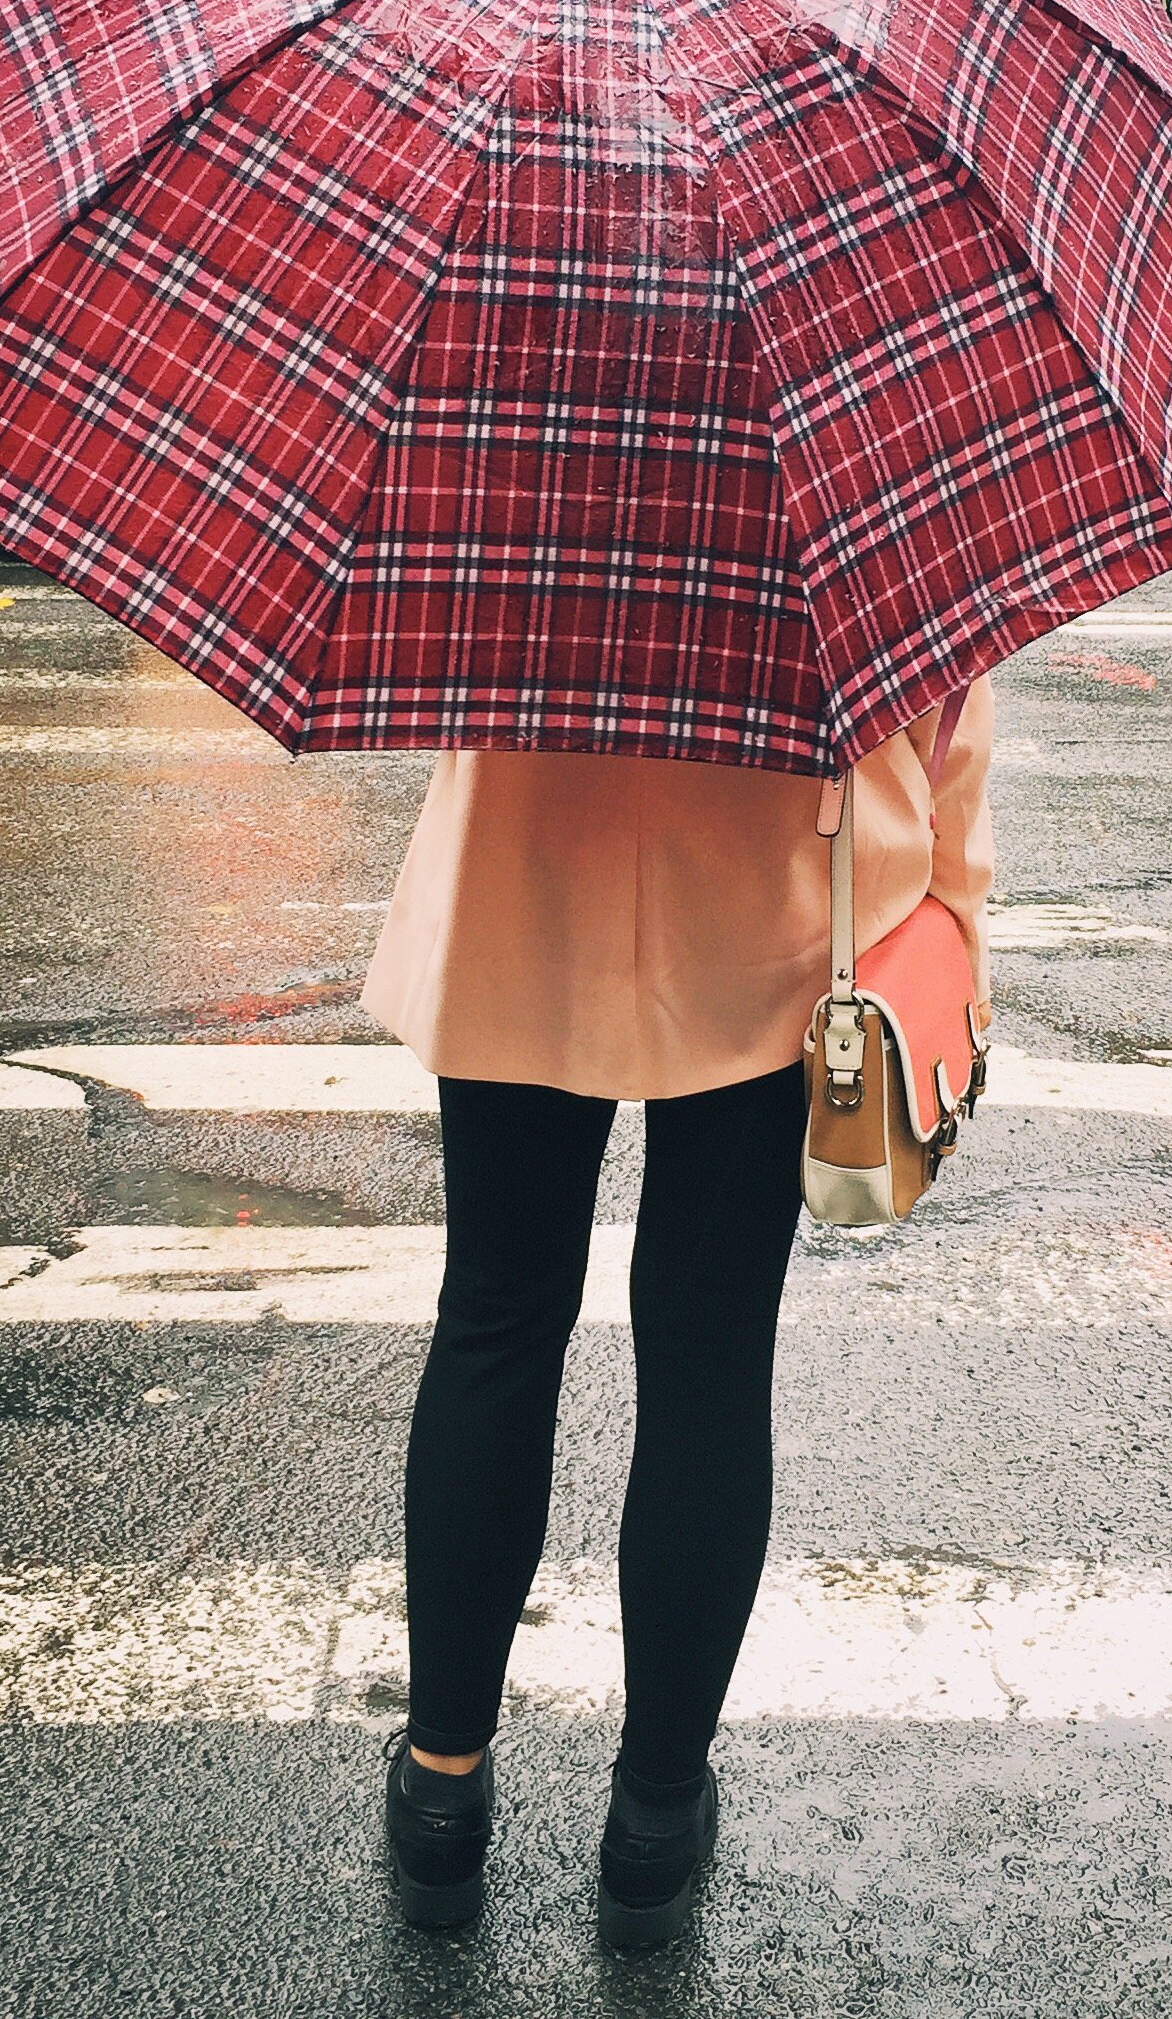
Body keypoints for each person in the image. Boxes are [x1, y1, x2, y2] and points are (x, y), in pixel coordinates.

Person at [364, 693, 994, 1944]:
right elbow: (945, 688)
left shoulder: (504, 481)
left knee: (495, 1317)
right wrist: (954, 904)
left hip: (522, 872)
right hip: (789, 903)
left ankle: (442, 1793)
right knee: (707, 1360)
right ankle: (652, 1820)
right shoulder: (833, 488)